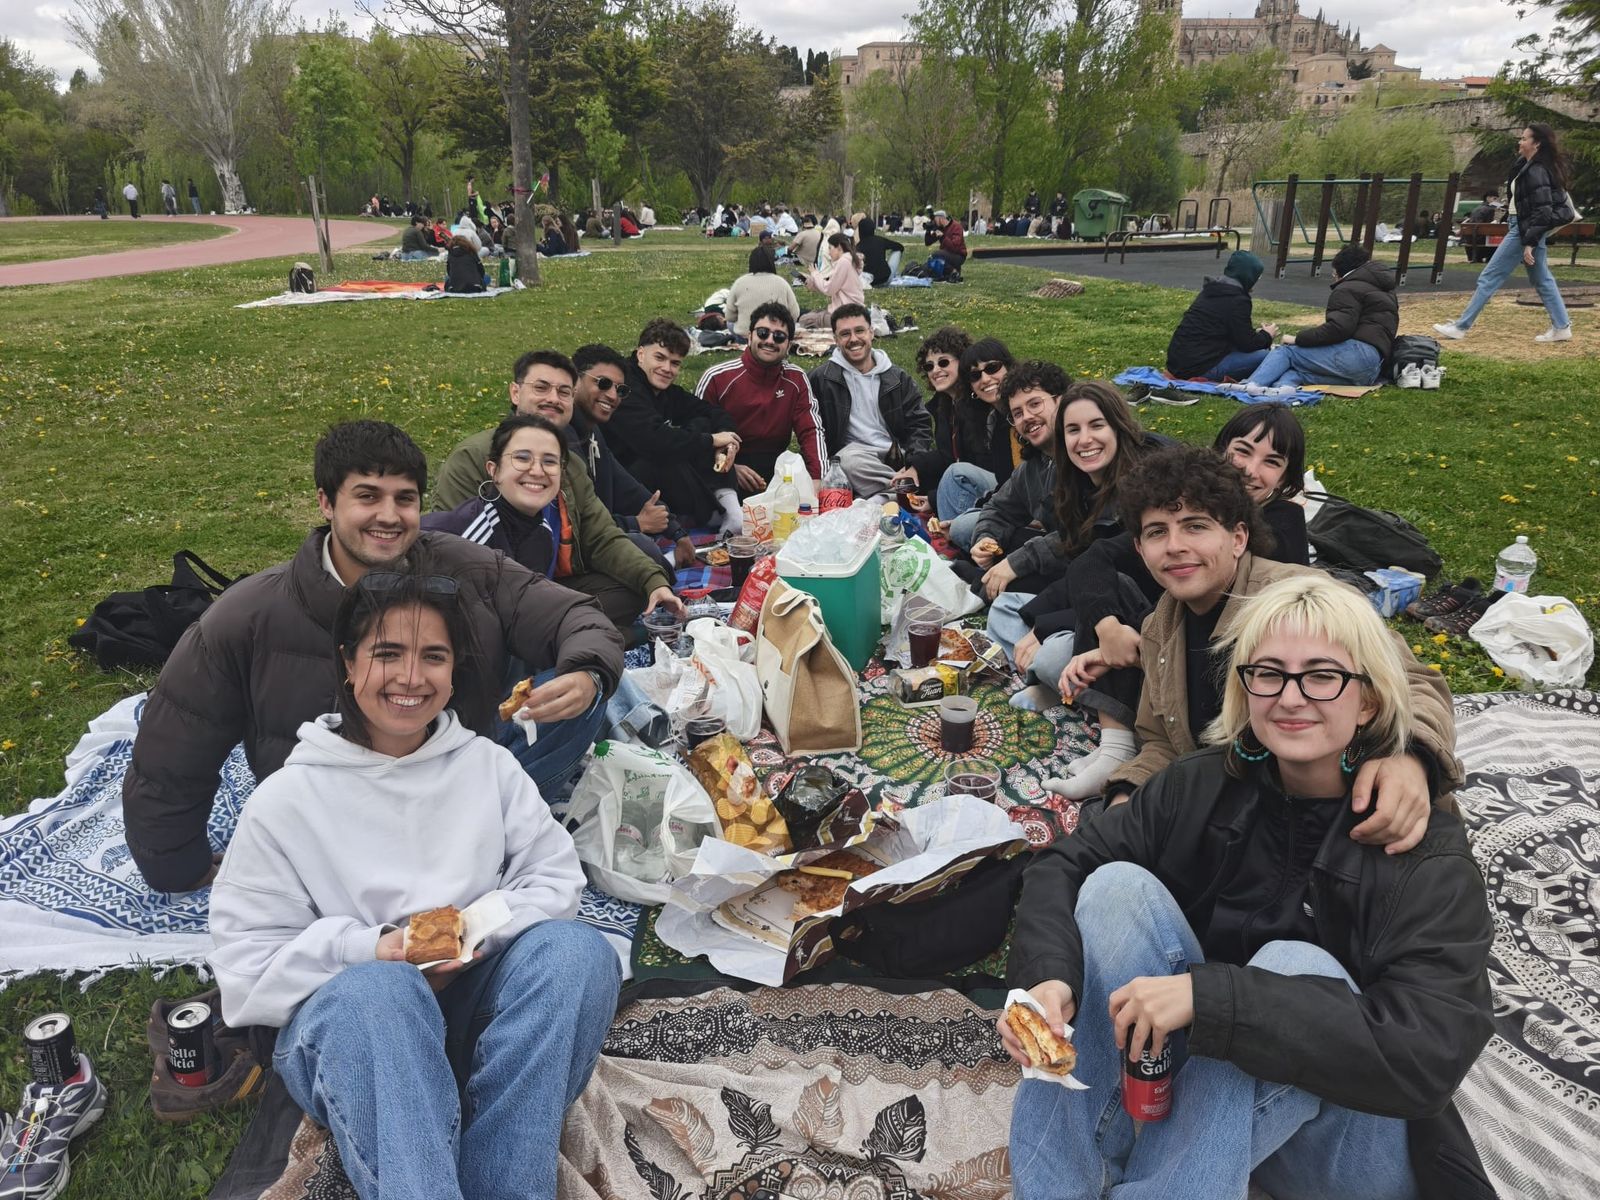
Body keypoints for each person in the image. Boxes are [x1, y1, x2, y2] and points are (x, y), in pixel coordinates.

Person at [1003, 572, 1494, 1200]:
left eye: (1322, 676)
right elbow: (1062, 866)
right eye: (1269, 674)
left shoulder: (1420, 849)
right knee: (1116, 887)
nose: (1291, 698)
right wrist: (1047, 977)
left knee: (1292, 968)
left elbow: (1426, 1052)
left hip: (1350, 1143)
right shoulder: (1201, 785)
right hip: (1219, 1108)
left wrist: (1216, 1001)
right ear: (1245, 686)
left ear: (1367, 700)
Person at [208, 563, 621, 1200]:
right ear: (348, 663)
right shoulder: (288, 801)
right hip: (355, 1035)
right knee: (383, 992)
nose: (409, 677)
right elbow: (245, 967)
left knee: (577, 954)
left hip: (474, 1007)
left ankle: (506, 1182)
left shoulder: (487, 767)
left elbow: (553, 874)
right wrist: (369, 949)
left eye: (433, 656)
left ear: (454, 671)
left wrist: (479, 930)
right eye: (387, 653)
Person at [123, 420, 622, 893]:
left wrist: (586, 672)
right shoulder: (250, 614)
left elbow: (573, 616)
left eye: (405, 499)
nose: (389, 516)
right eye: (367, 496)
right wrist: (176, 866)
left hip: (453, 811)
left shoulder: (467, 568)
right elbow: (174, 749)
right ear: (325, 502)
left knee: (590, 692)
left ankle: (501, 828)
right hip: (331, 838)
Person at [1059, 444, 1458, 820]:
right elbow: (1161, 740)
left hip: (1346, 817)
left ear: (1237, 538)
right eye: (1157, 532)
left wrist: (1411, 758)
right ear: (1141, 549)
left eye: (1195, 526)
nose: (1174, 546)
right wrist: (1127, 796)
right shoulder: (1159, 628)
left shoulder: (1302, 600)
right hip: (1231, 818)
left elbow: (1417, 683)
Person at [1015, 406, 1309, 723]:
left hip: (1209, 666)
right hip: (1153, 631)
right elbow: (1094, 558)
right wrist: (1103, 626)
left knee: (1054, 657)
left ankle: (1109, 729)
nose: (1251, 470)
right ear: (1222, 450)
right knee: (1040, 617)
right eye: (1243, 452)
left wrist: (1130, 649)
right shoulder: (1185, 501)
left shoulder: (1280, 531)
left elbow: (1221, 634)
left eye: (1271, 462)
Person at [425, 415, 682, 631]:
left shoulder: (540, 529)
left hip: (526, 619)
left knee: (637, 568)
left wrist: (654, 582)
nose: (537, 471)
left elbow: (604, 538)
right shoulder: (471, 533)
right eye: (522, 458)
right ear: (494, 471)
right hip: (455, 660)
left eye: (549, 462)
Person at [985, 379, 1158, 680]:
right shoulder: (1076, 483)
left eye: (1096, 426)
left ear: (1118, 427)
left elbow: (1121, 583)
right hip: (1092, 596)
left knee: (1052, 657)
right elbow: (1080, 562)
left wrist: (1048, 625)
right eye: (1074, 430)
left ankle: (1057, 679)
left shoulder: (1145, 487)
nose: (1085, 439)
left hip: (1135, 616)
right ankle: (1050, 677)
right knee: (1004, 607)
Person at [1435, 123, 1574, 344]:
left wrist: (1529, 241)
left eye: (1524, 138)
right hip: (1523, 227)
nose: (1520, 142)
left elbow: (1543, 210)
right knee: (1542, 279)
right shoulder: (1526, 166)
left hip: (1523, 229)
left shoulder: (1536, 170)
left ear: (1536, 143)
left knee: (1490, 276)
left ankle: (1461, 327)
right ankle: (1561, 326)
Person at [568, 343, 697, 571]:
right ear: (574, 381)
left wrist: (677, 532)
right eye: (603, 383)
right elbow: (576, 523)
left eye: (620, 390)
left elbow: (627, 487)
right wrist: (637, 524)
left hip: (600, 540)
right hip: (572, 556)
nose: (612, 396)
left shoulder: (593, 431)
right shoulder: (562, 439)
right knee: (642, 547)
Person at [609, 319, 744, 531]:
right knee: (671, 452)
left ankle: (730, 510)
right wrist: (710, 440)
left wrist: (728, 442)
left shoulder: (665, 392)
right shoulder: (625, 388)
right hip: (619, 484)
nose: (667, 369)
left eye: (675, 363)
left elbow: (713, 413)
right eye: (660, 358)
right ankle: (716, 514)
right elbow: (653, 440)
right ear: (640, 354)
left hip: (653, 480)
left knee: (701, 426)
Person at [696, 301, 826, 493]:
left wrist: (817, 478)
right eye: (763, 333)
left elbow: (811, 430)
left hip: (776, 468)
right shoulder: (717, 378)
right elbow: (695, 437)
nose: (770, 341)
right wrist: (731, 469)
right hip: (723, 467)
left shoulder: (796, 379)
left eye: (779, 337)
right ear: (749, 336)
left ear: (789, 344)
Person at [806, 304, 932, 499]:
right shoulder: (821, 379)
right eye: (845, 334)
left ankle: (887, 494)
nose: (854, 339)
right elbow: (808, 429)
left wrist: (914, 464)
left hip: (894, 456)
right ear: (835, 339)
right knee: (847, 460)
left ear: (871, 333)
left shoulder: (897, 378)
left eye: (859, 331)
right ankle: (905, 490)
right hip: (854, 461)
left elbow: (919, 424)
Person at [916, 337, 1021, 547]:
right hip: (1010, 492)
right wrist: (915, 467)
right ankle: (962, 543)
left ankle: (965, 546)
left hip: (1033, 505)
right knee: (954, 476)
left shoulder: (997, 411)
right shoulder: (990, 415)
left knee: (961, 525)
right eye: (975, 375)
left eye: (992, 368)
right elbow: (1005, 481)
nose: (985, 378)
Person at [1245, 244, 1395, 388]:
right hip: (1372, 369)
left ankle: (1250, 385)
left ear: (1340, 271)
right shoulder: (1384, 289)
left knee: (1286, 352)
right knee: (1300, 370)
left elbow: (1338, 329)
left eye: (1334, 273)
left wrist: (1298, 339)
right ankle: (1282, 388)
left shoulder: (1347, 288)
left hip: (1356, 356)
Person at [962, 364, 1063, 572]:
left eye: (1035, 404)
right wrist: (986, 538)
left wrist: (1015, 564)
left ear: (1060, 401)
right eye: (1017, 413)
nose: (1026, 417)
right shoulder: (1033, 466)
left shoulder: (1084, 457)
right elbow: (998, 509)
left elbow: (1085, 535)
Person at [1165, 250, 1279, 382]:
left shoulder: (1211, 291)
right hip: (1201, 367)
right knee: (1272, 357)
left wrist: (1256, 334)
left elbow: (1228, 331)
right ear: (1249, 276)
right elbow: (1246, 344)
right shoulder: (1237, 300)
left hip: (1178, 364)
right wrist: (1267, 335)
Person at [726, 235, 800, 336]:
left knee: (729, 324)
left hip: (746, 336)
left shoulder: (740, 282)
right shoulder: (781, 283)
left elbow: (729, 317)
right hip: (776, 335)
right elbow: (795, 314)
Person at [798, 234, 864, 329]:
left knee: (804, 320)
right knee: (810, 314)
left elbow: (828, 289)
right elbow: (831, 285)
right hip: (850, 311)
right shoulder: (848, 260)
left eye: (830, 248)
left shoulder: (844, 262)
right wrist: (812, 282)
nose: (828, 253)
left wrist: (815, 274)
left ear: (839, 248)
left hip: (846, 314)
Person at [855, 216, 905, 286]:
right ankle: (893, 272)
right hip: (885, 279)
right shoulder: (880, 240)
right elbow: (900, 247)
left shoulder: (857, 247)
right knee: (897, 251)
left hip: (867, 282)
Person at [924, 210, 967, 278]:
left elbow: (954, 247)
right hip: (946, 255)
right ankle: (952, 271)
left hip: (958, 255)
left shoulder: (956, 226)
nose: (934, 222)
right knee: (928, 264)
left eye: (935, 220)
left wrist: (943, 236)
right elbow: (928, 242)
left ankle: (953, 271)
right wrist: (928, 231)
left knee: (936, 254)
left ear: (940, 218)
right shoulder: (940, 228)